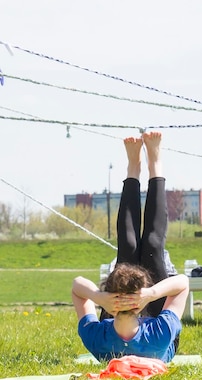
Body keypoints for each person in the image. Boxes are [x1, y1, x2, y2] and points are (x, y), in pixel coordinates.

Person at [72, 132, 189, 363]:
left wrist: (101, 298)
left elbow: (77, 286)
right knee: (153, 244)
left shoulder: (98, 339)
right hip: (155, 330)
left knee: (128, 246)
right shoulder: (161, 334)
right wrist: (150, 294)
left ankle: (133, 168)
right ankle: (155, 163)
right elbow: (183, 282)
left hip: (119, 319)